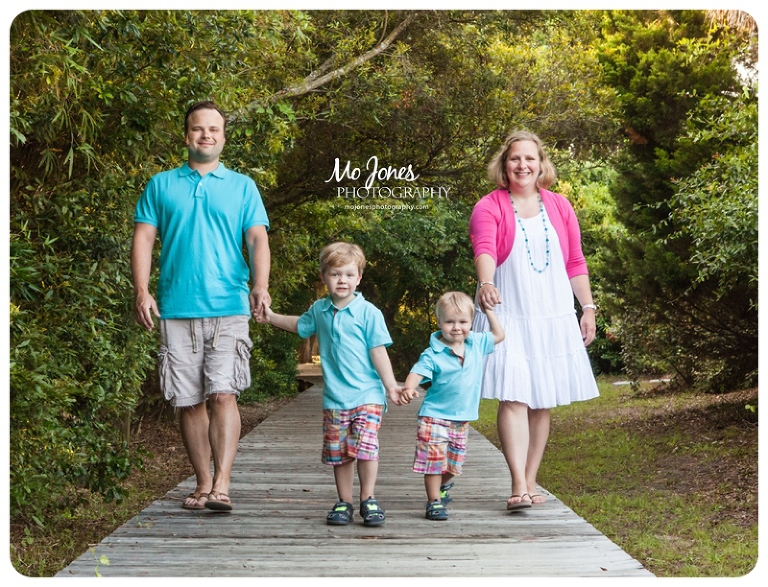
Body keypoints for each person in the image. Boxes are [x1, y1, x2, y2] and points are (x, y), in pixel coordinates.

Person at [131, 100, 271, 512]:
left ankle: (222, 485)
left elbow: (258, 239)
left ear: (223, 137)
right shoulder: (160, 185)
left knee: (223, 394)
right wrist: (142, 291)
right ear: (186, 135)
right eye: (198, 129)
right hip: (175, 308)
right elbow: (143, 239)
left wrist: (260, 286)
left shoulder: (243, 186)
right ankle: (203, 481)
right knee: (188, 400)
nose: (205, 135)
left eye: (213, 129)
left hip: (229, 305)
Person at [469, 130, 599, 511]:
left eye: (529, 159)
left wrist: (587, 307)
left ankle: (530, 479)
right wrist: (486, 282)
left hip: (551, 312)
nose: (522, 165)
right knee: (514, 396)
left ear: (541, 164)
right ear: (504, 166)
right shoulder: (489, 206)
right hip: (508, 312)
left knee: (542, 400)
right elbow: (485, 248)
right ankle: (516, 484)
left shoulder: (559, 206)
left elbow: (575, 262)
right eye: (515, 159)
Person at [256, 242, 400, 526]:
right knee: (341, 453)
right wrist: (270, 317)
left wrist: (391, 385)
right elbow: (300, 326)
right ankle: (344, 502)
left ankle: (368, 499)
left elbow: (378, 351)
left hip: (367, 395)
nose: (342, 280)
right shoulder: (320, 310)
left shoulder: (368, 312)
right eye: (335, 274)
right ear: (324, 277)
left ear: (359, 278)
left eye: (348, 274)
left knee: (366, 447)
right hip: (335, 398)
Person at [394, 292, 504, 521]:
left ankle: (440, 488)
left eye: (463, 322)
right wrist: (409, 387)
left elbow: (499, 334)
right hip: (434, 417)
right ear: (439, 322)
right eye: (450, 322)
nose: (456, 327)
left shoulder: (476, 343)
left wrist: (489, 311)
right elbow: (416, 372)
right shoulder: (433, 353)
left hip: (461, 419)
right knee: (433, 464)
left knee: (453, 467)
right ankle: (433, 501)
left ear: (471, 322)